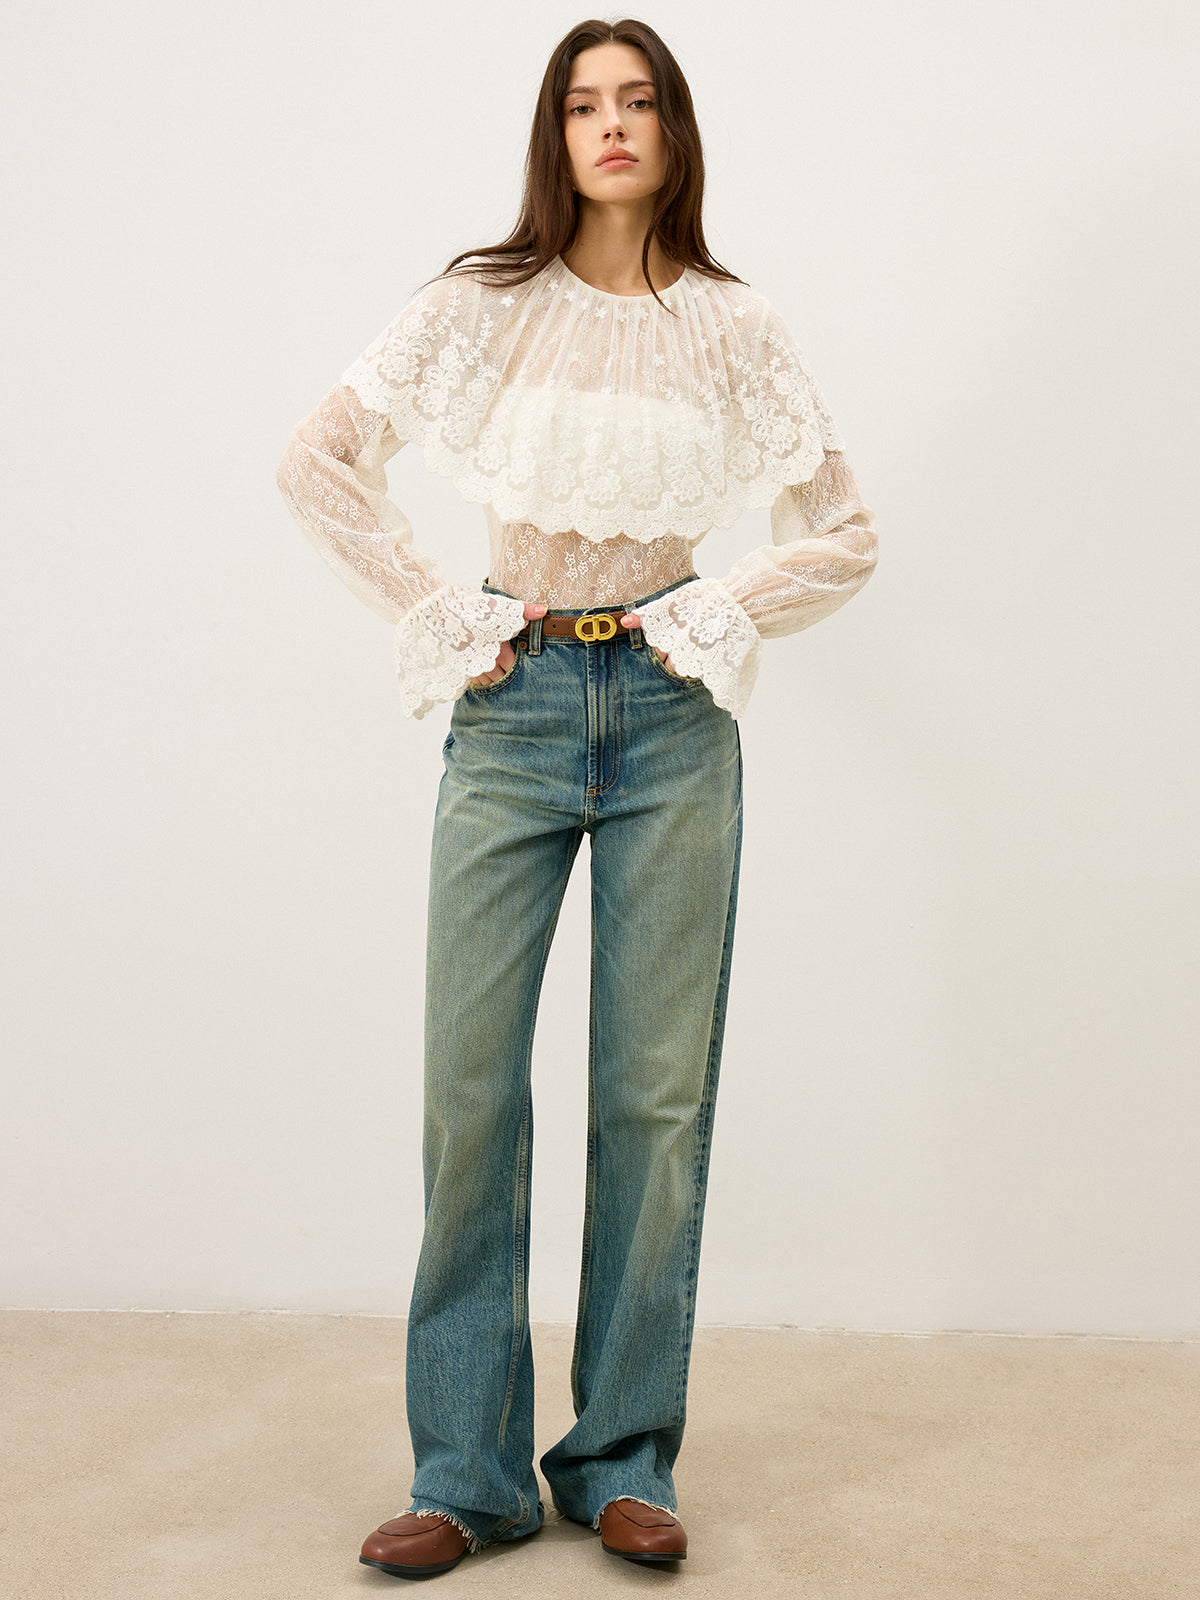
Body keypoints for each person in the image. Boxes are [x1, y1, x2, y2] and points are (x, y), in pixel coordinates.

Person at [275, 15, 878, 1580]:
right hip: (515, 708)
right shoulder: (481, 303)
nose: (611, 125)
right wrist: (437, 610)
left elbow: (846, 529)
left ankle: (620, 1457)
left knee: (655, 1100)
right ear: (554, 137)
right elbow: (317, 460)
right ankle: (466, 1472)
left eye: (638, 101)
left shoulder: (735, 326)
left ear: (674, 131)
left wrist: (720, 608)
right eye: (583, 104)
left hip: (675, 720)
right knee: (471, 1088)